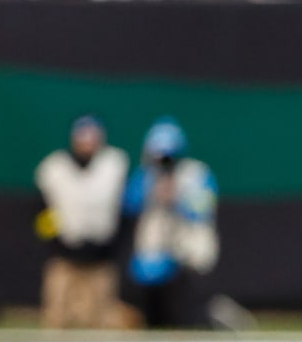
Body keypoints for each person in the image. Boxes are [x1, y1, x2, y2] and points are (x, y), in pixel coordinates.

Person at [34, 115, 129, 330]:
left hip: (101, 257)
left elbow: (123, 211)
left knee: (100, 319)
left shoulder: (113, 166)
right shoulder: (55, 168)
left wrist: (111, 247)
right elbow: (42, 210)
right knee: (58, 316)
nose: (87, 144)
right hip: (65, 256)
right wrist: (55, 244)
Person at [124, 117, 220, 329]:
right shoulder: (146, 176)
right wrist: (152, 190)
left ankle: (205, 317)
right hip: (159, 246)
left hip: (187, 245)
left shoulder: (196, 174)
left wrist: (178, 198)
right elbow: (129, 205)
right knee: (149, 268)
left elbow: (203, 210)